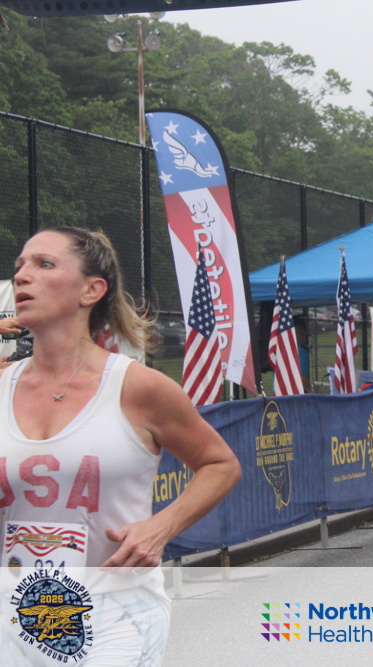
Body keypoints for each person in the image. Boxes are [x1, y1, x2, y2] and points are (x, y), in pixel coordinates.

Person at [0, 227, 241, 664]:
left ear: (91, 290)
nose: (21, 275)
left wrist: (161, 527)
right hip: (13, 616)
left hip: (114, 614)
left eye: (44, 264)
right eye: (19, 266)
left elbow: (220, 464)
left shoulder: (138, 387)